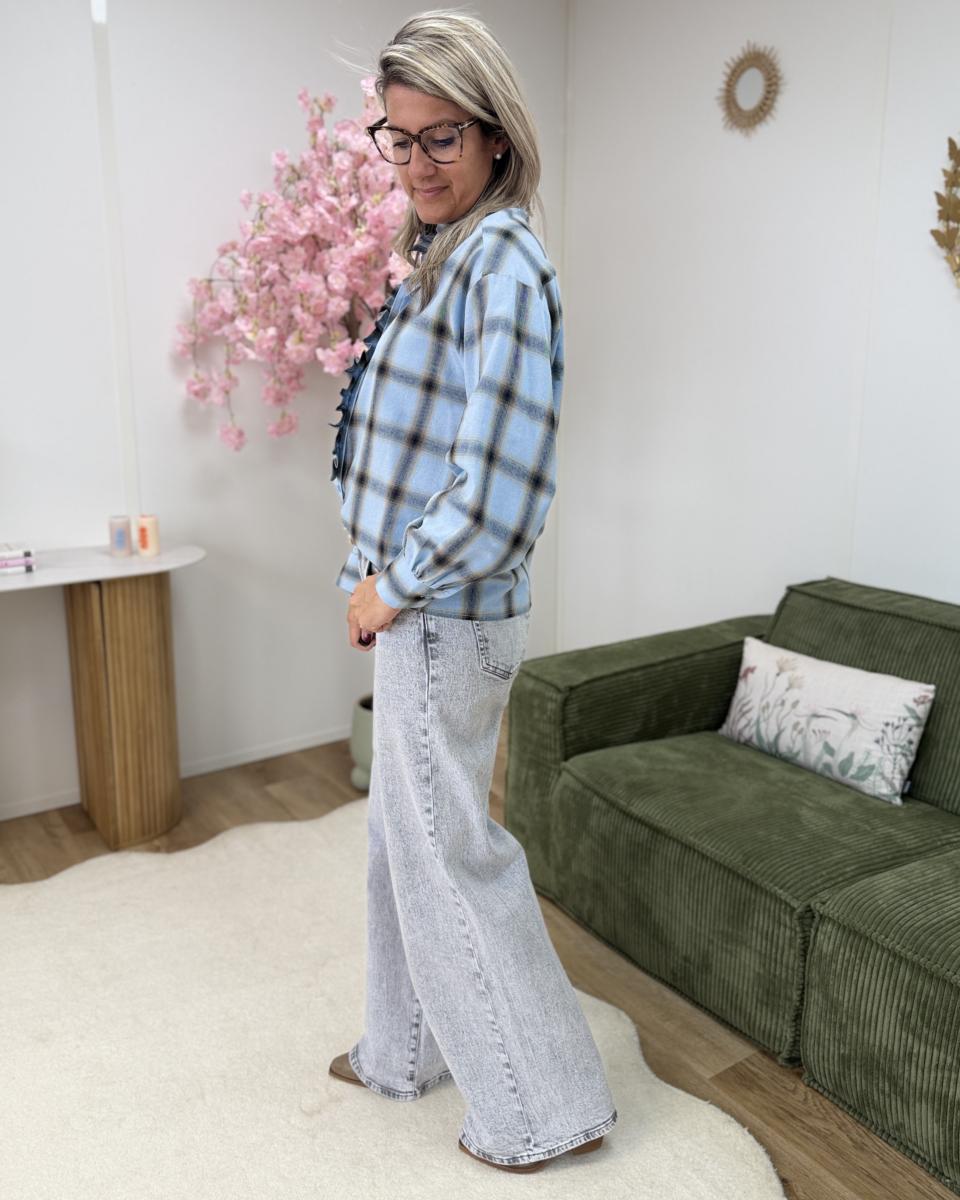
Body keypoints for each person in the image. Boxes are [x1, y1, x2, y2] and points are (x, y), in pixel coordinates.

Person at [327, 9, 618, 1174]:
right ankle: (400, 1053)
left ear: (497, 133)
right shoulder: (444, 255)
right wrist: (374, 580)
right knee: (404, 849)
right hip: (421, 608)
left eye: (441, 136)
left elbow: (500, 489)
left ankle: (541, 1110)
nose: (417, 164)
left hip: (442, 612)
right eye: (398, 140)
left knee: (452, 858)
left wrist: (391, 585)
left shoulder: (501, 263)